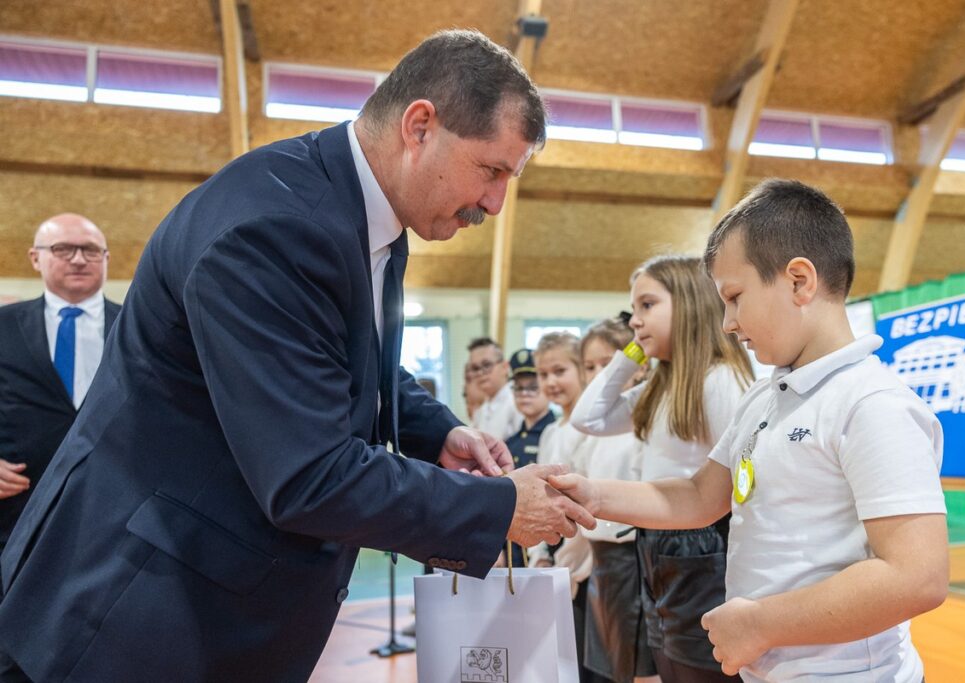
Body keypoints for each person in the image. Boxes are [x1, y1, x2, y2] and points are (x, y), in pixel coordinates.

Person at [0, 30, 595, 683]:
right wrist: (497, 507)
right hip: (134, 612)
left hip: (210, 599)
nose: (496, 203)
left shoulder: (373, 224)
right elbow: (308, 473)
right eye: (493, 169)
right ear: (419, 125)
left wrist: (439, 431)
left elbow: (347, 355)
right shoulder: (273, 227)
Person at [553, 179, 949, 681]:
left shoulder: (872, 404)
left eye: (735, 298)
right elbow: (701, 496)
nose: (727, 323)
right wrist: (591, 494)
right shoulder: (764, 397)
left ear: (800, 282)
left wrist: (763, 623)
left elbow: (918, 578)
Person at [571, 254, 753, 682]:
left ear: (690, 304)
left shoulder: (720, 379)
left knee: (702, 667)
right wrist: (631, 355)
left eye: (647, 306)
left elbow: (745, 482)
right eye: (634, 310)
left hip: (704, 546)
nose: (635, 320)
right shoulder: (660, 385)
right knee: (670, 665)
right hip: (656, 544)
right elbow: (589, 418)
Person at [0, 214, 121, 548]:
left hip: (113, 509)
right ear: (35, 258)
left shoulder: (136, 328)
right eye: (63, 249)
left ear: (107, 259)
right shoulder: (3, 325)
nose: (79, 259)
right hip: (16, 510)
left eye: (91, 250)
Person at [576, 317, 658, 683]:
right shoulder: (593, 431)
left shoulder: (642, 418)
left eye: (606, 364)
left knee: (639, 671)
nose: (598, 374)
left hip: (633, 557)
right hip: (601, 562)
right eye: (590, 366)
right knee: (609, 670)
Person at [529, 331, 612, 683]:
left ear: (581, 369)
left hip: (587, 564)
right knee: (564, 663)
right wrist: (543, 555)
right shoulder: (550, 432)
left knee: (595, 666)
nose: (550, 382)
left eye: (559, 371)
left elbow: (591, 502)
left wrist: (571, 563)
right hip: (558, 562)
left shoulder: (594, 428)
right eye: (543, 374)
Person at [500, 348, 556, 568]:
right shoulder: (509, 442)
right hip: (511, 548)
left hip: (543, 546)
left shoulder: (553, 435)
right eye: (519, 389)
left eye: (533, 388)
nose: (524, 394)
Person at [468, 336, 523, 439]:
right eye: (475, 368)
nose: (480, 373)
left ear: (505, 367)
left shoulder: (517, 403)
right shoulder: (481, 410)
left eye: (487, 365)